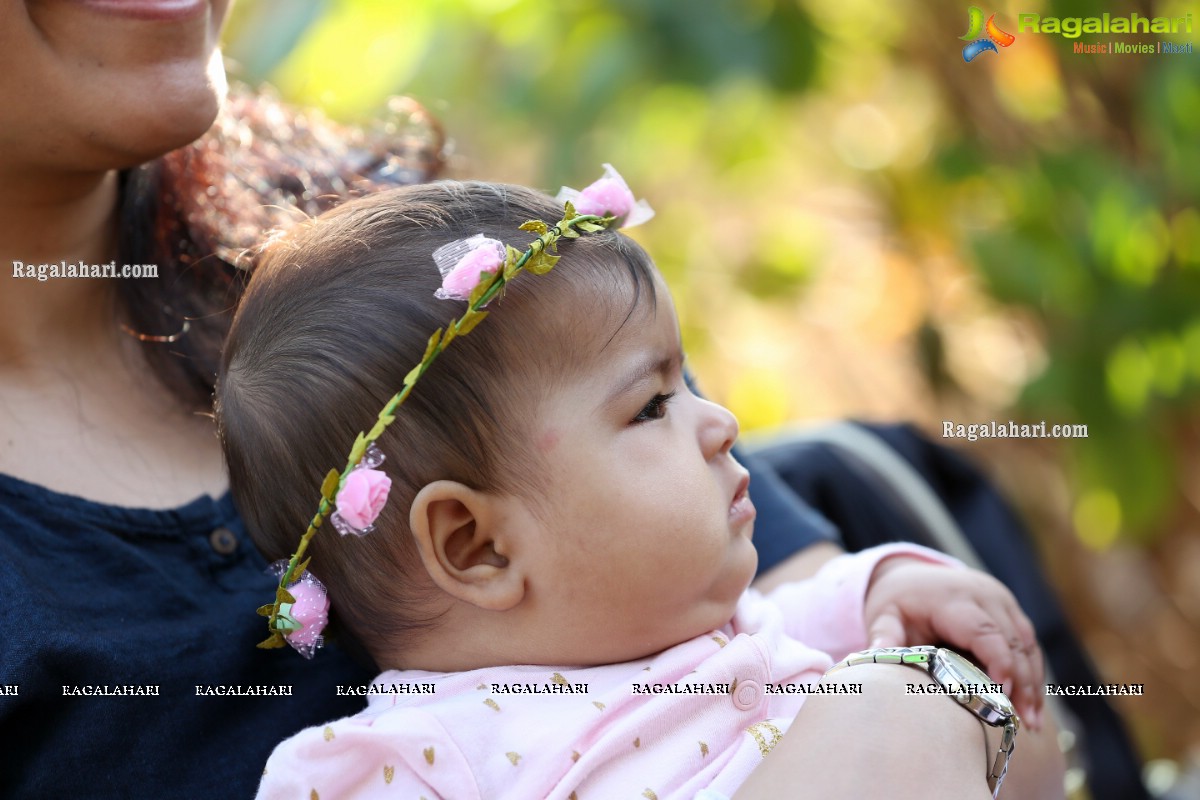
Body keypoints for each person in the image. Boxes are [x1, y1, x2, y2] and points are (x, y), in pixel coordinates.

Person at [214, 173, 1064, 798]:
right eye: (653, 406)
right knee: (901, 701)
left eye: (686, 385)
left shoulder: (719, 630)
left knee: (961, 686)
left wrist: (892, 586)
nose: (722, 423)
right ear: (479, 547)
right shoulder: (414, 759)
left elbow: (816, 618)